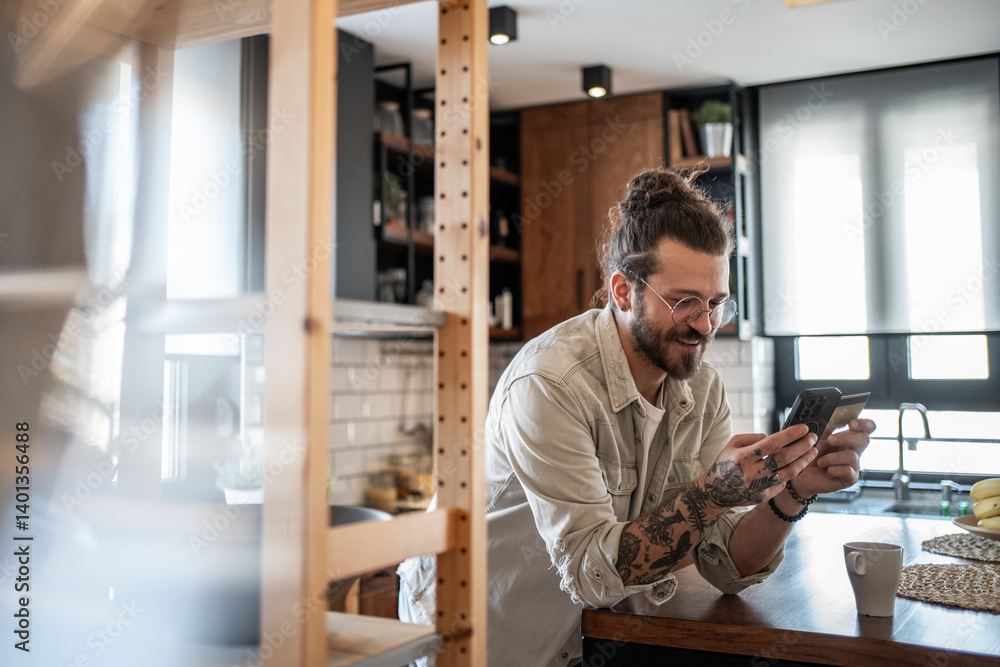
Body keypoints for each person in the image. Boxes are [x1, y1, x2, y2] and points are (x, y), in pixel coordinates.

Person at [398, 166, 874, 666]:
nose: (705, 324)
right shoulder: (550, 383)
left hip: (576, 638)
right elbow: (590, 572)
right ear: (623, 292)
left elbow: (728, 565)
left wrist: (795, 489)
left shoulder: (701, 390)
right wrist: (711, 493)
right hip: (476, 630)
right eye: (684, 301)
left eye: (716, 304)